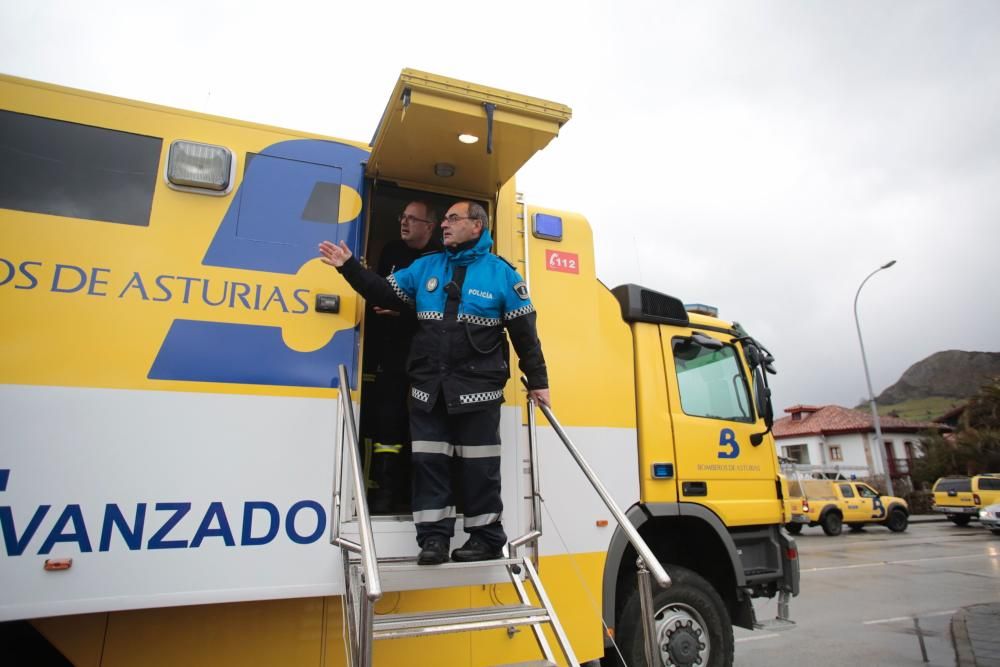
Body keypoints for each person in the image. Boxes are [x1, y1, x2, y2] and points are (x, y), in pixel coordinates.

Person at [319, 201, 550, 565]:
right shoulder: (424, 267)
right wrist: (348, 267)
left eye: (453, 218)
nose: (444, 224)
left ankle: (486, 539)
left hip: (480, 392)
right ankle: (433, 541)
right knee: (428, 464)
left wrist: (538, 381)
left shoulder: (502, 274)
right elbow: (381, 292)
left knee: (480, 467)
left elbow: (525, 334)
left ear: (477, 226)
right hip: (429, 390)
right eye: (443, 219)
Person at [364, 201, 441, 513]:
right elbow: (381, 290)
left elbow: (440, 312)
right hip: (391, 352)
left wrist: (403, 311)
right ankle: (384, 494)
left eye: (413, 219)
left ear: (429, 226)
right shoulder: (392, 251)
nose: (404, 223)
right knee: (387, 420)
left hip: (426, 355)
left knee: (422, 423)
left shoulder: (439, 258)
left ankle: (415, 495)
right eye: (403, 216)